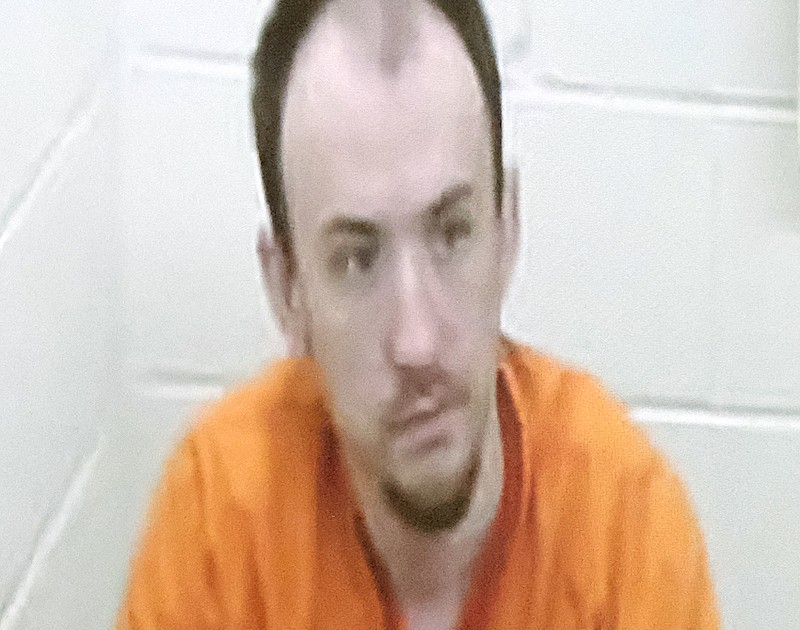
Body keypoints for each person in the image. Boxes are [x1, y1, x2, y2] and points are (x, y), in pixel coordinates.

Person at [117, 0, 720, 628]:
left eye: (452, 234)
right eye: (356, 260)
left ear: (506, 227)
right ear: (288, 290)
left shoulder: (624, 527)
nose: (417, 342)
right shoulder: (219, 522)